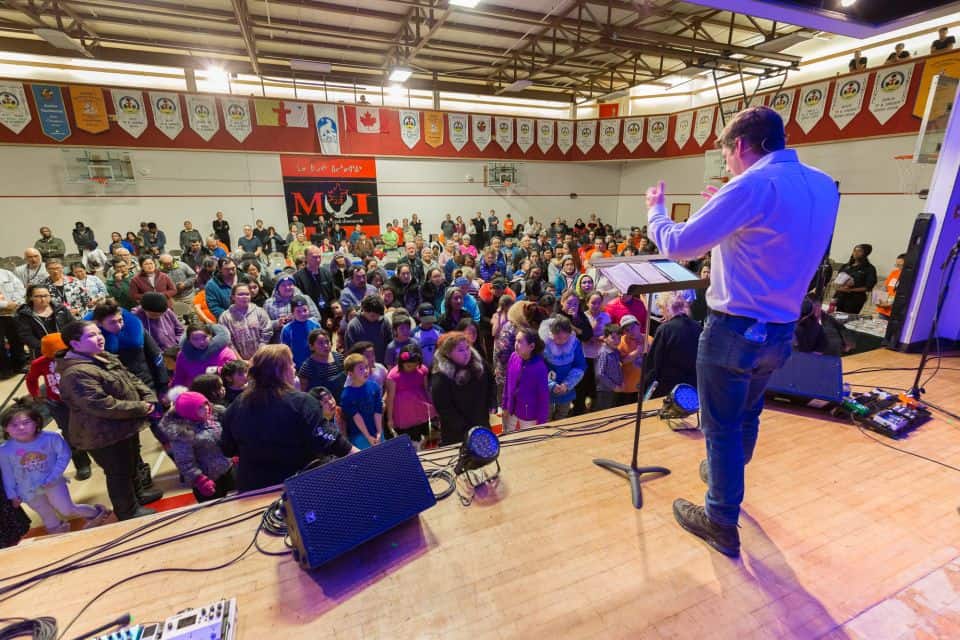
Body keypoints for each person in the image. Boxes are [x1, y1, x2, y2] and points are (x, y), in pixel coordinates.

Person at [645, 105, 839, 557]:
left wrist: (656, 211)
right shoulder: (821, 184)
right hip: (781, 329)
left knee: (720, 428)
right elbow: (774, 237)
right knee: (748, 414)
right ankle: (723, 477)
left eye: (726, 155)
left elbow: (680, 246)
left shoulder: (752, 184)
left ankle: (719, 518)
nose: (727, 165)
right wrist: (727, 205)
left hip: (736, 329)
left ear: (742, 146)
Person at [57, 321, 162, 520]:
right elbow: (101, 404)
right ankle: (127, 511)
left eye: (99, 333)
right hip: (102, 434)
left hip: (124, 424)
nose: (100, 337)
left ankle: (138, 496)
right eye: (91, 335)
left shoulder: (103, 357)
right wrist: (140, 407)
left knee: (131, 463)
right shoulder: (75, 373)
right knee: (119, 472)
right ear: (75, 344)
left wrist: (148, 397)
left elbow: (132, 379)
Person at [221, 345, 355, 491]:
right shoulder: (302, 402)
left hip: (252, 490)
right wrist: (369, 460)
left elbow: (228, 449)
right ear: (280, 371)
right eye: (291, 362)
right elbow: (333, 442)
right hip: (294, 490)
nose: (295, 366)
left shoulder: (236, 406)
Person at [0, 399, 109, 534]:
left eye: (26, 423)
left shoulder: (51, 438)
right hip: (27, 489)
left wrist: (53, 477)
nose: (21, 428)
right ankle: (59, 535)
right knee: (46, 515)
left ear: (37, 422)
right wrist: (12, 494)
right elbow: (7, 474)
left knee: (66, 509)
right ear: (5, 428)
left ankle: (96, 513)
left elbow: (64, 455)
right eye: (13, 425)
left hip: (53, 482)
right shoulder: (4, 450)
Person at [25, 333, 91, 479]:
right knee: (69, 433)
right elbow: (31, 379)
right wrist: (35, 394)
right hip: (57, 403)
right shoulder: (39, 363)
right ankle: (82, 463)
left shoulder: (76, 355)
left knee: (92, 426)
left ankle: (103, 455)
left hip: (81, 399)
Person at [159, 390, 236, 502]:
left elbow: (222, 441)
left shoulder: (212, 419)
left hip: (227, 469)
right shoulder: (182, 435)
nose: (206, 408)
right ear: (189, 412)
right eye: (200, 407)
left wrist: (232, 456)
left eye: (206, 404)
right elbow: (185, 462)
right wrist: (200, 480)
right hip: (208, 481)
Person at [430, 331, 496, 445]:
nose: (466, 353)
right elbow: (445, 410)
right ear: (448, 353)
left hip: (482, 424)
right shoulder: (441, 377)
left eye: (467, 348)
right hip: (457, 434)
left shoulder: (479, 366)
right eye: (460, 350)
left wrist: (492, 402)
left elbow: (491, 384)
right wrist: (468, 430)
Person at [644, 294, 702, 399]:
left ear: (667, 308)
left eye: (661, 309)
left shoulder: (665, 329)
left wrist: (644, 385)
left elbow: (655, 362)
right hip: (693, 384)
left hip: (671, 387)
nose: (661, 313)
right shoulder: (697, 327)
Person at [384, 345, 435, 447]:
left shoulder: (422, 370)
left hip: (420, 408)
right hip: (403, 413)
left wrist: (433, 405)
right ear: (401, 363)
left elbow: (426, 390)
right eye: (408, 366)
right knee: (409, 441)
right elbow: (390, 398)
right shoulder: (393, 376)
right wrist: (390, 419)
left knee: (425, 438)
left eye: (414, 366)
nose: (411, 368)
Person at [502, 327, 550, 432]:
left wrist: (541, 422)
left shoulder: (540, 367)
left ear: (531, 346)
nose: (515, 344)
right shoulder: (513, 357)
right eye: (516, 340)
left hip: (529, 417)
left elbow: (543, 396)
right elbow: (507, 384)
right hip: (511, 410)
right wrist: (505, 404)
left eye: (520, 342)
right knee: (507, 437)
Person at [539, 315, 586, 420]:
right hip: (546, 390)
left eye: (566, 338)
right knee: (546, 416)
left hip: (566, 389)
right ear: (551, 334)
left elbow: (580, 365)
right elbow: (538, 369)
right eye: (559, 337)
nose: (562, 341)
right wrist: (551, 385)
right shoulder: (543, 345)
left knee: (563, 415)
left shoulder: (574, 343)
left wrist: (567, 384)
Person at [171, 323, 239, 388]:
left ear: (211, 336)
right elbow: (179, 378)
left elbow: (236, 371)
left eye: (204, 337)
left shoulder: (225, 352)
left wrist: (219, 370)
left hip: (222, 391)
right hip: (195, 393)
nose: (201, 342)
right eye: (195, 339)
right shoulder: (183, 355)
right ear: (189, 340)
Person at [340, 353, 383, 450]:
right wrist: (368, 437)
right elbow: (356, 417)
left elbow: (378, 411)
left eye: (366, 367)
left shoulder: (374, 386)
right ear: (350, 374)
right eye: (360, 369)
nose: (366, 371)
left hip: (377, 431)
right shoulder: (346, 395)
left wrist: (379, 432)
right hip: (360, 435)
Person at [16, 284, 73, 358]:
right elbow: (26, 335)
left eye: (46, 296)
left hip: (65, 348)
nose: (43, 299)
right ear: (31, 298)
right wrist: (44, 347)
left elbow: (73, 326)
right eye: (38, 296)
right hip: (41, 352)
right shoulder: (24, 314)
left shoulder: (61, 309)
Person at [219, 283, 273, 360]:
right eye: (240, 294)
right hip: (237, 360)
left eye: (247, 294)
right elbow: (228, 341)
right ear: (233, 297)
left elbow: (266, 334)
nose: (244, 297)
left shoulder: (259, 312)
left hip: (261, 358)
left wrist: (256, 357)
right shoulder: (225, 317)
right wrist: (240, 360)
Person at [298, 328, 346, 397]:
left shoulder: (340, 358)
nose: (325, 346)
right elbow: (303, 392)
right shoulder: (307, 367)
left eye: (327, 342)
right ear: (311, 347)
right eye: (320, 343)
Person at [344, 295, 391, 363]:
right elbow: (350, 352)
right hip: (361, 366)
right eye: (372, 315)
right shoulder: (353, 326)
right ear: (364, 310)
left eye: (378, 315)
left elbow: (389, 342)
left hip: (382, 364)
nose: (376, 318)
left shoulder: (384, 321)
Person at [833, 244, 878, 314]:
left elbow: (868, 287)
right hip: (839, 297)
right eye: (854, 250)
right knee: (833, 318)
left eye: (859, 251)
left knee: (847, 320)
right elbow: (836, 280)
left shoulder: (869, 269)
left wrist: (850, 290)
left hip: (854, 300)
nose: (856, 253)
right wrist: (837, 287)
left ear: (865, 254)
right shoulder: (846, 266)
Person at [0, 267, 27, 377]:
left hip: (12, 312)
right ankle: (4, 369)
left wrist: (14, 303)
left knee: (17, 339)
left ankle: (19, 365)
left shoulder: (6, 273)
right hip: (4, 310)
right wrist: (5, 305)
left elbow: (20, 288)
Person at [281, 296, 320, 370]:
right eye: (298, 311)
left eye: (305, 310)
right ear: (292, 313)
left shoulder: (315, 325)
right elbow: (285, 351)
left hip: (315, 365)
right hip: (298, 367)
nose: (302, 314)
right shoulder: (287, 329)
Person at [594, 324, 623, 411]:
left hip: (614, 388)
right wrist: (614, 386)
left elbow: (618, 368)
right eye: (613, 337)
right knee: (604, 412)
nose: (617, 341)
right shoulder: (603, 353)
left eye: (619, 338)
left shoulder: (616, 351)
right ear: (605, 338)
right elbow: (600, 374)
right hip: (605, 390)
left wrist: (621, 382)